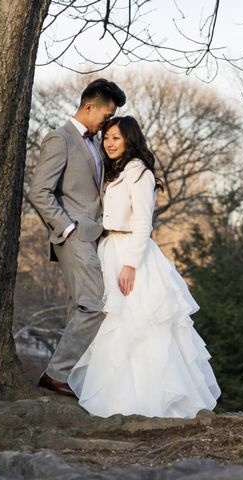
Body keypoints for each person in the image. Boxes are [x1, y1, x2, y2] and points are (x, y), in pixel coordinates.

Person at [68, 116, 220, 418]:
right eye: (107, 137)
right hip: (108, 250)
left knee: (140, 327)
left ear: (130, 140)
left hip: (131, 255)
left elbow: (142, 224)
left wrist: (130, 265)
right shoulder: (114, 173)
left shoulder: (139, 174)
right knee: (112, 325)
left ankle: (150, 403)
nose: (110, 143)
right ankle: (113, 403)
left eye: (117, 138)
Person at [28, 79, 126, 396]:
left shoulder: (96, 144)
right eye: (106, 114)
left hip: (95, 238)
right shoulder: (60, 139)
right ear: (88, 107)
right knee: (96, 305)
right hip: (74, 237)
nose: (107, 121)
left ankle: (74, 381)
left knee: (79, 308)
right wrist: (67, 228)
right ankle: (56, 374)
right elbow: (40, 191)